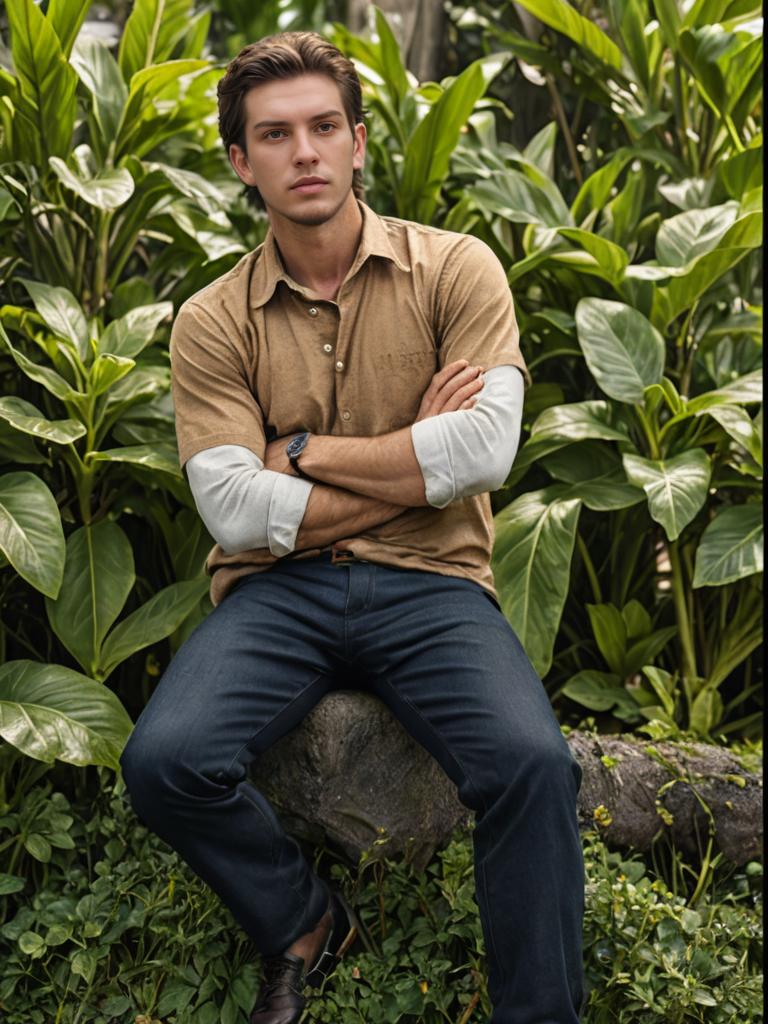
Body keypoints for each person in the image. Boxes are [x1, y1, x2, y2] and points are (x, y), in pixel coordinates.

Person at [119, 30, 586, 1024]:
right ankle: (305, 922)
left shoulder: (456, 270)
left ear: (360, 140)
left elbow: (486, 454)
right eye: (277, 135)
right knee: (165, 763)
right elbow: (236, 509)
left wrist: (303, 451)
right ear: (242, 161)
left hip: (434, 584)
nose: (307, 152)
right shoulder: (212, 319)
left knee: (534, 767)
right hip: (277, 589)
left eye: (325, 126)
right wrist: (419, 454)